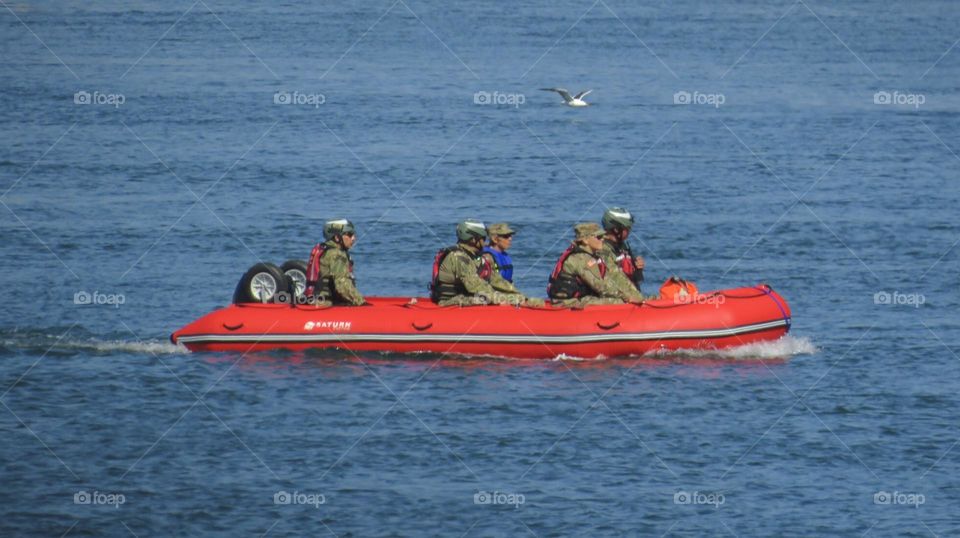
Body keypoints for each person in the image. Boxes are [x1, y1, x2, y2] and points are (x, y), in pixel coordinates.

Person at [431, 219, 544, 307]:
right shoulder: (459, 258)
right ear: (473, 239)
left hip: (467, 296)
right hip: (450, 301)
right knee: (484, 298)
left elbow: (496, 280)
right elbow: (476, 287)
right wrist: (508, 300)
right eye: (482, 238)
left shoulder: (478, 258)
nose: (485, 241)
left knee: (493, 297)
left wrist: (521, 297)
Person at [547, 222, 644, 307]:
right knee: (619, 301)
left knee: (619, 298)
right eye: (598, 237)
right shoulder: (581, 259)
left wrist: (633, 293)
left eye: (602, 236)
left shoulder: (592, 255)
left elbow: (609, 278)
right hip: (568, 302)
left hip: (577, 299)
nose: (602, 239)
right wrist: (627, 297)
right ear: (585, 240)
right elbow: (601, 287)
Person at [305, 219, 366, 306]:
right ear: (337, 237)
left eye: (354, 234)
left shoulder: (323, 248)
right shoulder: (336, 254)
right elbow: (342, 284)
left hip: (313, 299)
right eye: (349, 234)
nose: (354, 238)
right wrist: (361, 302)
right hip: (324, 303)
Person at [599, 207, 650, 298]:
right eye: (627, 228)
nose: (630, 231)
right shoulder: (602, 249)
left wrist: (637, 266)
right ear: (616, 230)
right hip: (616, 299)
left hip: (630, 294)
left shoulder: (622, 246)